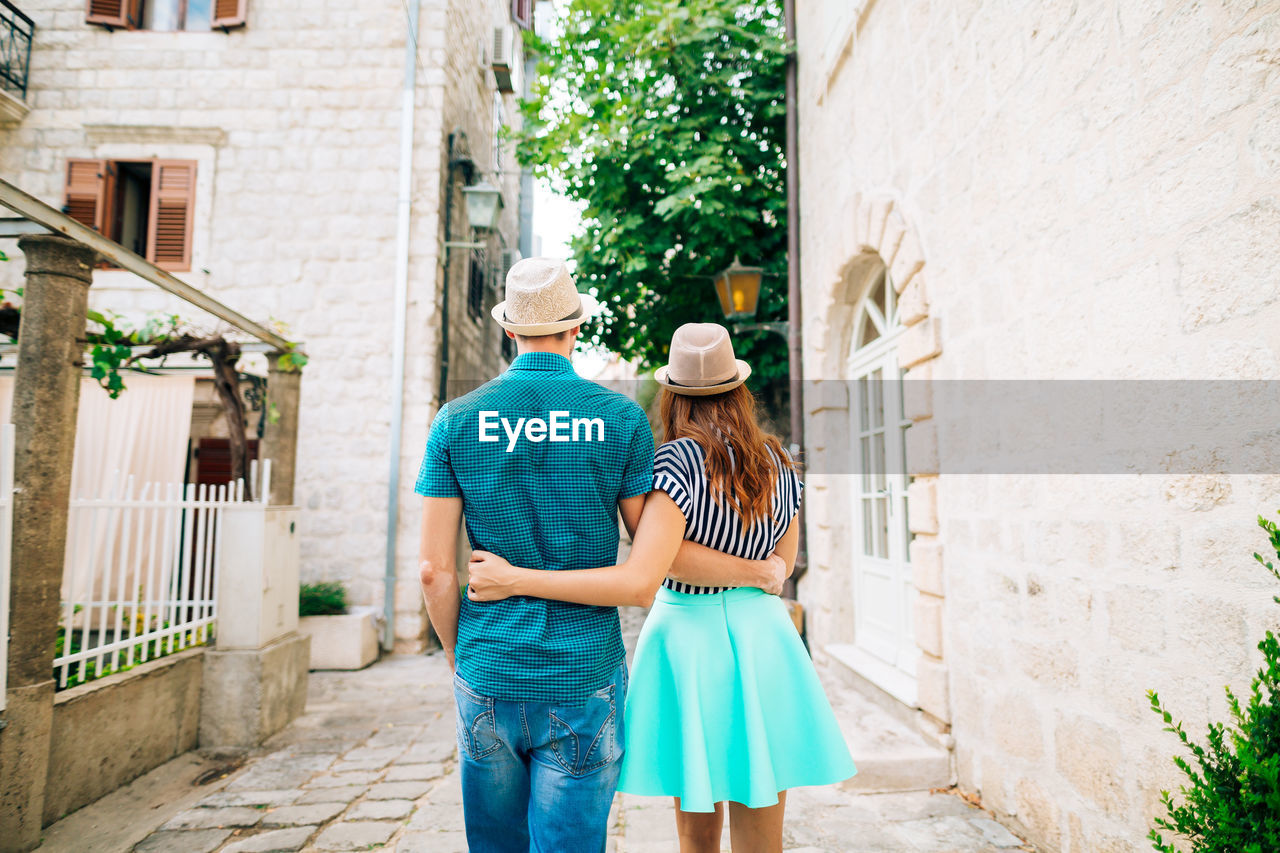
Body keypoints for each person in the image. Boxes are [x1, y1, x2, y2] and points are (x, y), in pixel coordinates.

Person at [416, 263, 786, 853]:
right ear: (575, 329)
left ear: (510, 331)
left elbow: (435, 570)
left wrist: (463, 657)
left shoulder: (455, 420)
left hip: (489, 662)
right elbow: (653, 554)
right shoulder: (620, 420)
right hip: (583, 670)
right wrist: (758, 558)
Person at [468, 322, 857, 853]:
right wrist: (759, 573)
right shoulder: (778, 460)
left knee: (697, 817)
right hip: (765, 639)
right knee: (763, 801)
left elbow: (661, 559)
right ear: (738, 391)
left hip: (689, 640)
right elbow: (779, 564)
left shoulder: (676, 460)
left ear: (673, 394)